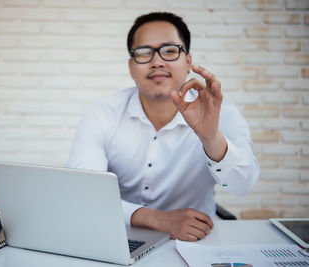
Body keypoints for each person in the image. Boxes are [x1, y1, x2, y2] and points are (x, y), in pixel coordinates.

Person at [67, 12, 260, 241]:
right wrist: (159, 219)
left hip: (196, 241)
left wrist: (211, 138)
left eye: (169, 50)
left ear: (188, 61)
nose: (157, 61)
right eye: (144, 53)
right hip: (119, 237)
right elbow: (84, 193)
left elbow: (243, 186)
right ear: (131, 66)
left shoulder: (222, 112)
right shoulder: (102, 113)